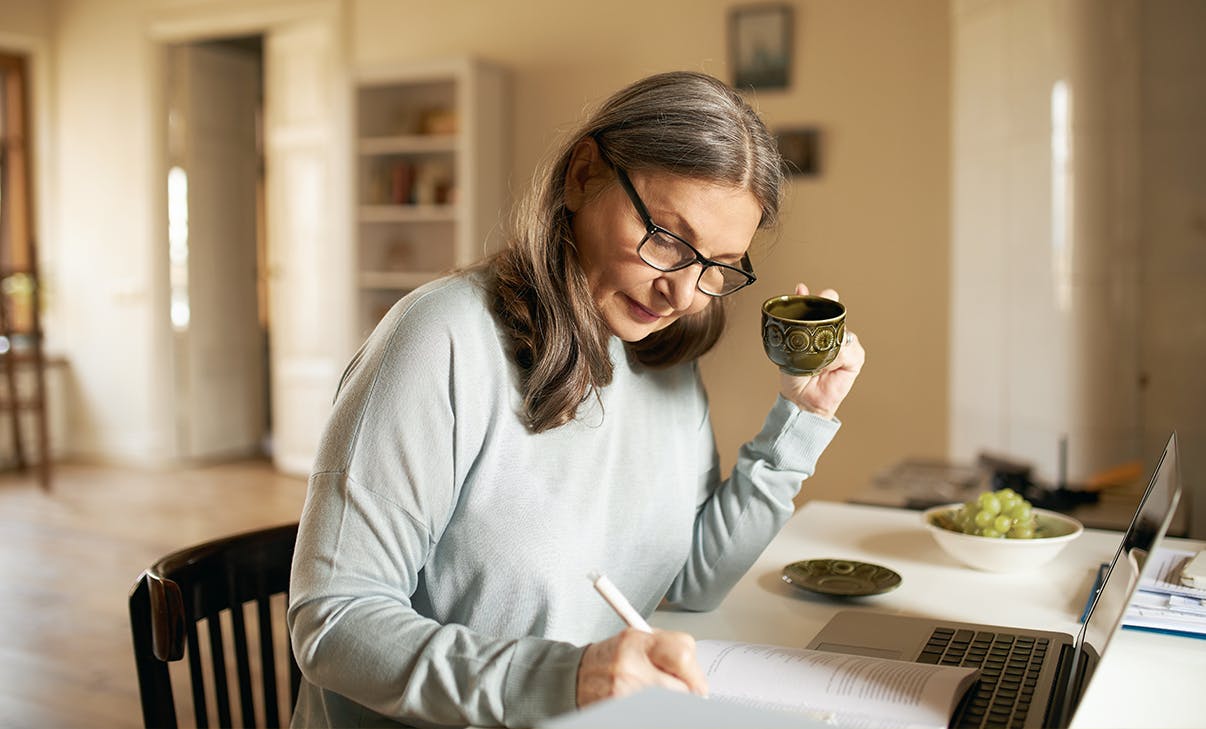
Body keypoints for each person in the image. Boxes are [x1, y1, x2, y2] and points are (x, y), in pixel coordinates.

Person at [288, 70, 865, 728]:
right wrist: (566, 681)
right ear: (582, 175)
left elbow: (693, 580)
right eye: (668, 239)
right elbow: (333, 621)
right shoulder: (438, 340)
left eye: (717, 265)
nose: (683, 295)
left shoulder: (661, 360)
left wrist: (803, 415)